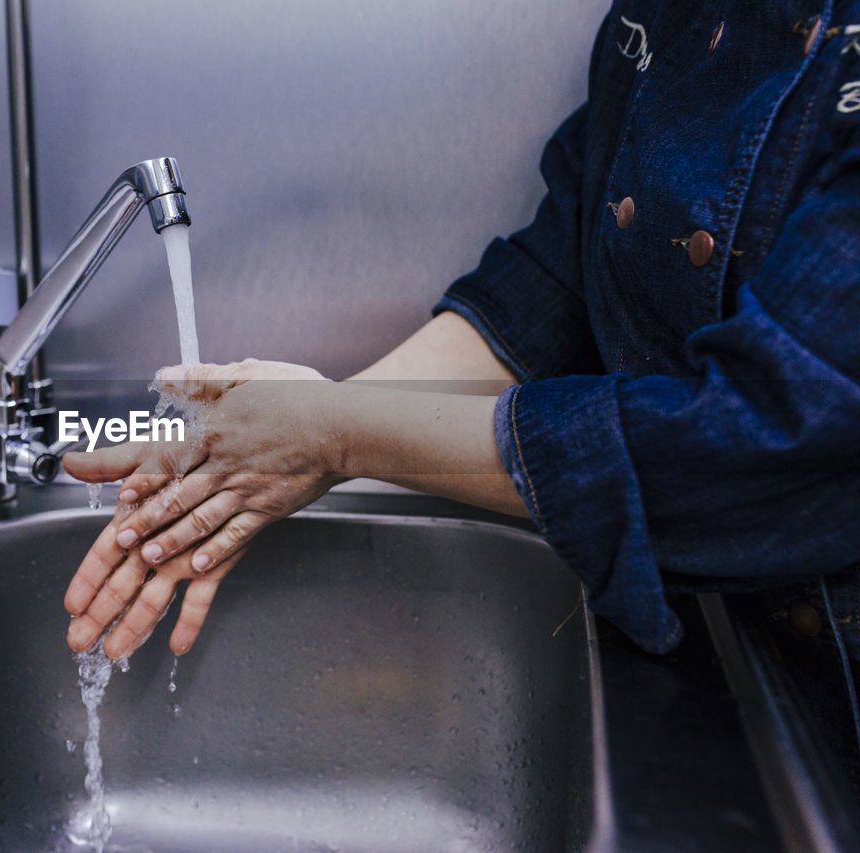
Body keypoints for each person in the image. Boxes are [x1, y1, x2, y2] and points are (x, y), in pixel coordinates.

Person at [63, 0, 860, 771]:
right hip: (708, 656)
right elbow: (560, 279)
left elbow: (773, 431)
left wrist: (332, 431)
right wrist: (290, 434)